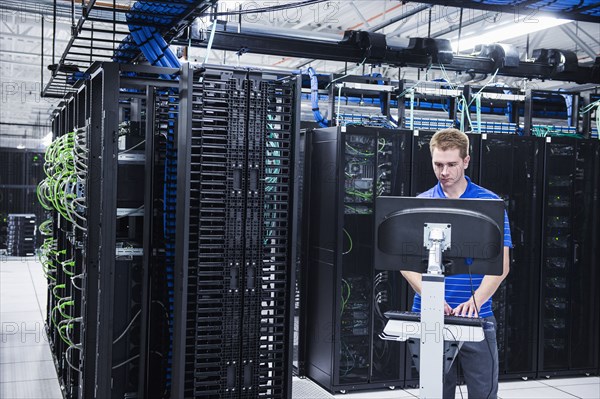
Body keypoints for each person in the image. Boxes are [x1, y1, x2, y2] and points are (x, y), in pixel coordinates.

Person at [400, 128, 512, 399]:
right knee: (436, 392)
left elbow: (502, 265)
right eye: (438, 164)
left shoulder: (489, 203)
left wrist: (475, 302)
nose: (444, 172)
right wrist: (430, 296)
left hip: (477, 314)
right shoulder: (422, 203)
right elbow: (405, 263)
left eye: (451, 164)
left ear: (466, 161)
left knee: (483, 392)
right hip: (429, 314)